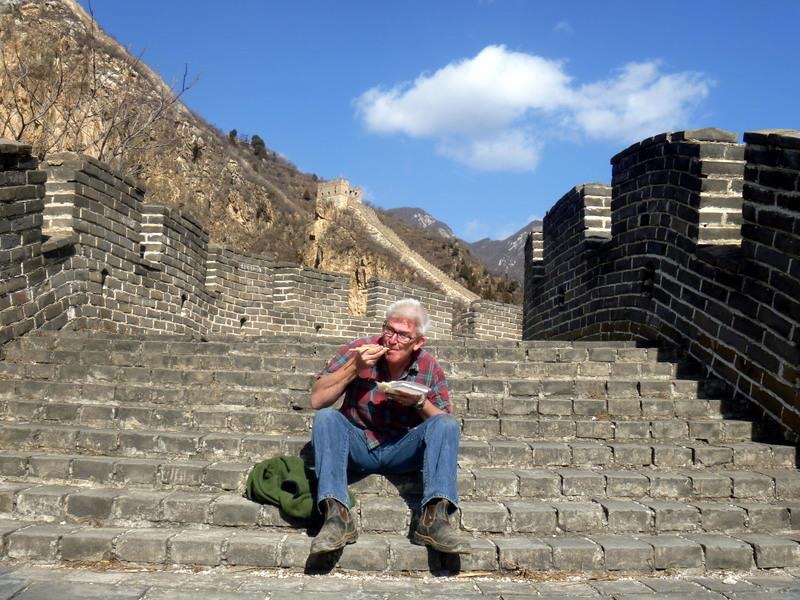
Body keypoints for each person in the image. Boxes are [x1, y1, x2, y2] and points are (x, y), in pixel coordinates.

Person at [309, 298, 470, 555]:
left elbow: (443, 422)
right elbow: (317, 400)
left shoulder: (428, 366)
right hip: (358, 444)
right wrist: (355, 367)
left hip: (402, 449)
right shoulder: (360, 350)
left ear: (418, 342)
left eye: (403, 335)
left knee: (447, 425)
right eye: (389, 330)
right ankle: (336, 517)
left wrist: (420, 403)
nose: (392, 340)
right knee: (327, 418)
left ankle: (434, 519)